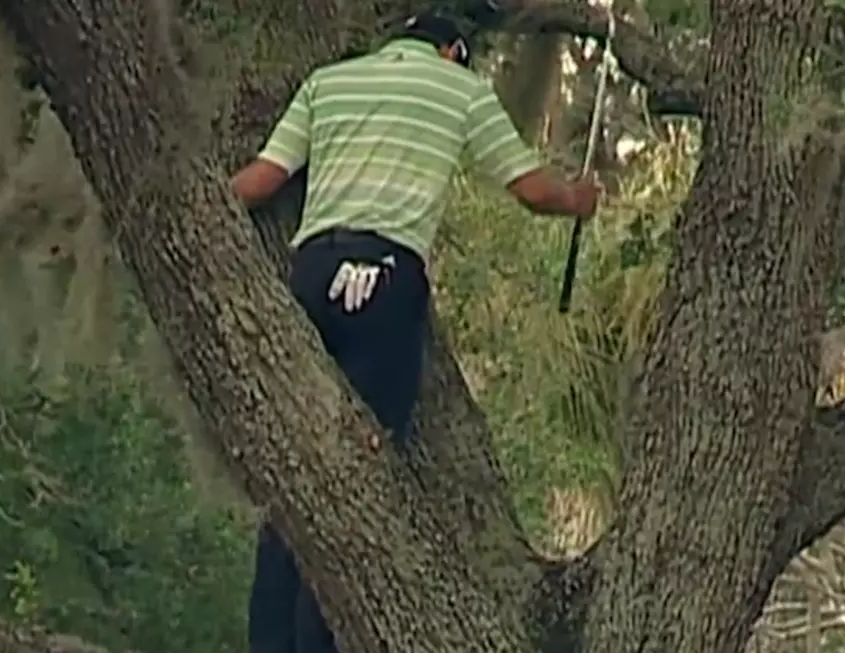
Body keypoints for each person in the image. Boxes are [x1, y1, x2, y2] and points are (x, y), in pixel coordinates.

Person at [232, 11, 601, 653]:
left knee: (290, 477)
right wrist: (578, 199)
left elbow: (262, 180)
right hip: (386, 280)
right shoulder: (459, 89)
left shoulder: (329, 81)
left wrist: (187, 198)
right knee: (357, 483)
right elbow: (529, 187)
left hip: (313, 275)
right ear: (453, 50)